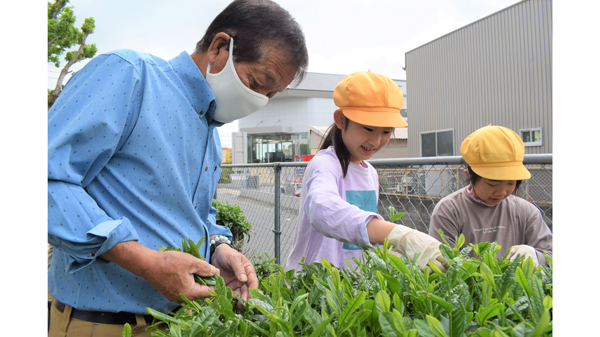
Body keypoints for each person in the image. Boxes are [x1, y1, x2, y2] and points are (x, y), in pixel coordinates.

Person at [47, 0, 308, 335]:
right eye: (257, 81)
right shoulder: (131, 75)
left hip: (177, 323)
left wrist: (218, 248)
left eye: (270, 94)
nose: (259, 100)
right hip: (100, 323)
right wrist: (145, 262)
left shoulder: (210, 132)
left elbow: (195, 215)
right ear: (219, 46)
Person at [285, 71, 448, 273]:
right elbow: (321, 209)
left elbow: (362, 239)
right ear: (341, 120)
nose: (376, 141)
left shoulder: (370, 172)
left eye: (386, 132)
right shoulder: (326, 164)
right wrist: (398, 234)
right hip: (314, 283)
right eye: (368, 128)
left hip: (354, 285)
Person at [428, 125, 553, 267]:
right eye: (492, 184)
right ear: (469, 175)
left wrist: (535, 256)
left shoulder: (526, 211)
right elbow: (442, 262)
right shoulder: (449, 210)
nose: (502, 192)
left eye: (511, 183)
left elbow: (550, 254)